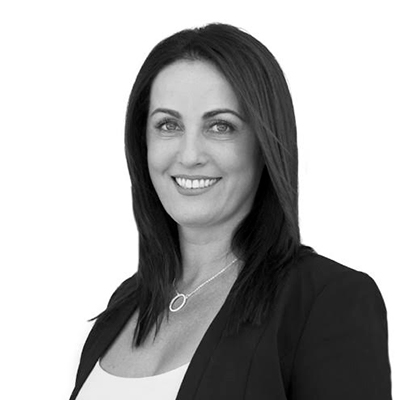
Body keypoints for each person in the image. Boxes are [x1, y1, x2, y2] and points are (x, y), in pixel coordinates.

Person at [69, 23, 392, 399]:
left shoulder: (326, 301)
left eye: (221, 126)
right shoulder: (125, 304)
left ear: (265, 144)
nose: (190, 155)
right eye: (168, 125)